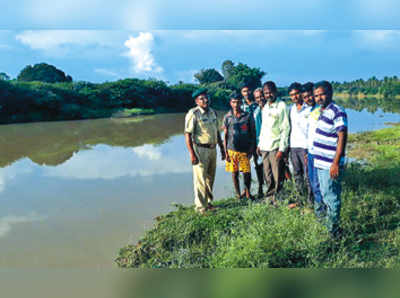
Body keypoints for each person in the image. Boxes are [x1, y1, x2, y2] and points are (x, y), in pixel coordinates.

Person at [312, 81, 348, 238]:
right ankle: (331, 227)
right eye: (316, 95)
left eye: (322, 94)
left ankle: (333, 232)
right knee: (326, 195)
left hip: (329, 164)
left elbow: (342, 136)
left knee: (331, 197)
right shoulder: (323, 111)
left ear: (330, 93)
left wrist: (335, 163)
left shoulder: (337, 111)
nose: (319, 97)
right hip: (320, 162)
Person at [184, 88, 225, 215]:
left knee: (210, 178)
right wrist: (192, 154)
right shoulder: (194, 114)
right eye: (202, 98)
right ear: (196, 101)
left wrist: (222, 149)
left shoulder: (213, 112)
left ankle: (208, 202)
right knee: (200, 179)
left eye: (206, 97)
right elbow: (187, 134)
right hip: (200, 150)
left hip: (213, 149)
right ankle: (201, 208)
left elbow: (217, 132)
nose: (205, 100)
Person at [257, 81, 290, 205]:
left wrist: (282, 149)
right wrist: (259, 144)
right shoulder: (265, 107)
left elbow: (285, 128)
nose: (268, 95)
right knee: (267, 174)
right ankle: (270, 197)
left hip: (275, 147)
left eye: (270, 92)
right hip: (265, 146)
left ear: (275, 91)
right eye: (265, 93)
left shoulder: (282, 106)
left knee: (278, 175)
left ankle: (279, 198)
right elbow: (264, 128)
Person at [223, 91, 256, 200]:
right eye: (233, 102)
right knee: (234, 173)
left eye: (238, 102)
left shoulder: (247, 116)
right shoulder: (227, 117)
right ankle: (238, 194)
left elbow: (252, 133)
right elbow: (225, 135)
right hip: (231, 149)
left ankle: (247, 192)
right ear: (230, 103)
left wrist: (251, 149)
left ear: (241, 103)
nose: (236, 105)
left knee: (247, 173)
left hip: (244, 150)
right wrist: (225, 152)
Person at [302, 82, 324, 217]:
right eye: (305, 97)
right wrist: (307, 151)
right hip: (310, 153)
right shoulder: (310, 111)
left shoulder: (322, 110)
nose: (308, 99)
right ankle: (319, 211)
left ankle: (322, 213)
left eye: (310, 96)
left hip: (319, 153)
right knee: (313, 182)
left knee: (318, 184)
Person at [288, 82, 312, 207]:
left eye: (297, 93)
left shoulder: (309, 109)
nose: (295, 97)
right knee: (297, 174)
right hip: (294, 146)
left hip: (306, 147)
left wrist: (310, 149)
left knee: (308, 176)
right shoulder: (291, 109)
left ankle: (310, 201)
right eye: (292, 95)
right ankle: (300, 199)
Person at [240, 82, 264, 198]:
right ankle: (246, 190)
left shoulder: (258, 105)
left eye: (248, 91)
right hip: (246, 140)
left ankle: (261, 187)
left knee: (258, 163)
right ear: (241, 93)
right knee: (245, 166)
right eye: (244, 91)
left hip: (258, 138)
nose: (247, 93)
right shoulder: (240, 106)